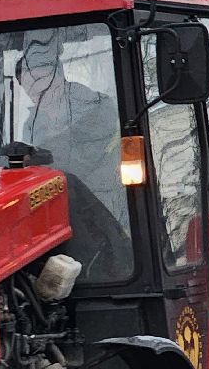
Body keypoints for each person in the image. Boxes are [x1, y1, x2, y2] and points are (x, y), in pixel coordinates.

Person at [16, 27, 131, 282]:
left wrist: (40, 158)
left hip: (110, 207)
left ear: (58, 75)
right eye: (30, 88)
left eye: (40, 83)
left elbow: (80, 156)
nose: (36, 93)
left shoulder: (95, 107)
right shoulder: (32, 123)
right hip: (67, 210)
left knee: (109, 271)